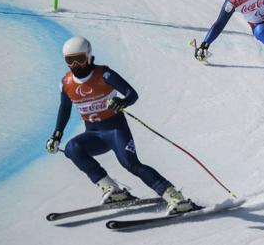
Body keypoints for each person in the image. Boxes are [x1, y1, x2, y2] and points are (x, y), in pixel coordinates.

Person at [46, 36, 193, 213]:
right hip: (94, 135)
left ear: (89, 56)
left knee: (130, 164)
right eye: (71, 61)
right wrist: (56, 135)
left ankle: (175, 197)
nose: (76, 65)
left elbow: (132, 94)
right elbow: (65, 109)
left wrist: (121, 102)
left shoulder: (104, 74)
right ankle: (113, 190)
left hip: (115, 131)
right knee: (72, 148)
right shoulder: (66, 83)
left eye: (80, 59)